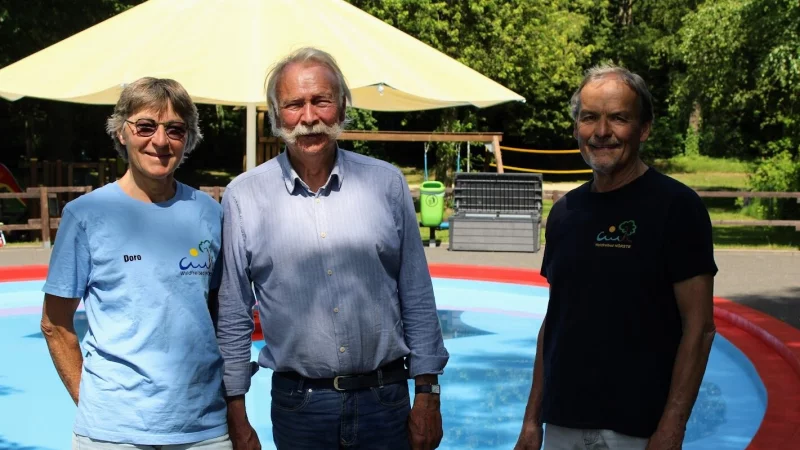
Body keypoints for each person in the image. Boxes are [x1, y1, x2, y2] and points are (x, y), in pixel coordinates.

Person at [215, 47, 449, 450]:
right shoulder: (243, 197)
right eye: (294, 104)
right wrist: (236, 413)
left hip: (385, 401)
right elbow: (234, 312)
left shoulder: (386, 184)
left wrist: (428, 394)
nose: (309, 118)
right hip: (299, 408)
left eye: (321, 101)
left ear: (341, 108)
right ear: (276, 115)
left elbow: (417, 296)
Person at [514, 65, 718, 450]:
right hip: (562, 420)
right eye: (589, 117)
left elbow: (700, 327)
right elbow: (556, 321)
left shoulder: (677, 208)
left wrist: (672, 426)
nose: (602, 131)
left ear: (643, 129)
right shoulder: (565, 213)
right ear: (577, 128)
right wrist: (531, 420)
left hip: (639, 428)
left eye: (618, 118)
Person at [40, 77, 232, 449]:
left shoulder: (210, 214)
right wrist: (94, 403)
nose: (160, 141)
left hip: (202, 428)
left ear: (188, 139)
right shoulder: (86, 216)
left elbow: (219, 311)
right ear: (122, 132)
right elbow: (54, 323)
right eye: (146, 126)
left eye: (175, 129)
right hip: (113, 433)